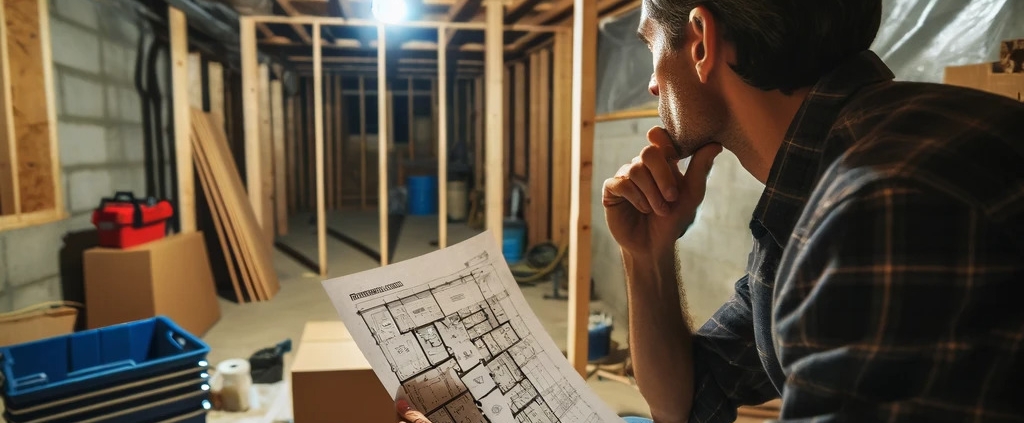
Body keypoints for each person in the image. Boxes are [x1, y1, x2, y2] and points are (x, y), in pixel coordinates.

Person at [397, 0, 1024, 421]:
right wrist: (647, 255)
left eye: (650, 46)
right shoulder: (821, 182)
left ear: (699, 41)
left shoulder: (882, 203)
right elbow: (691, 400)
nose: (649, 83)